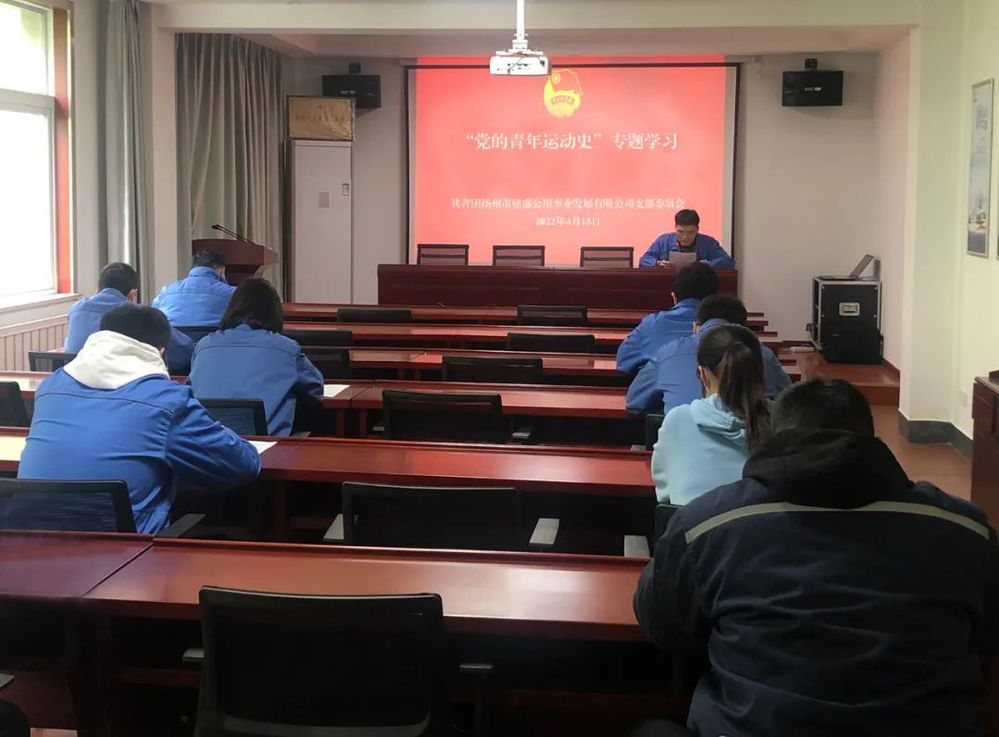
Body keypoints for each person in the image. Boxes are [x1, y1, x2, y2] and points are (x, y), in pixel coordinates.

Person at [634, 379, 999, 737]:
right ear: (871, 439)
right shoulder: (966, 530)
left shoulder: (708, 524)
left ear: (773, 437)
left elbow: (663, 623)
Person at [16, 305, 260, 534]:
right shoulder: (166, 401)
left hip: (30, 546)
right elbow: (240, 466)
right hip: (125, 555)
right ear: (160, 353)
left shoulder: (50, 388)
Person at [651, 324, 770, 504]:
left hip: (693, 522)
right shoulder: (785, 422)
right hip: (765, 523)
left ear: (703, 375)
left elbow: (665, 494)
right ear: (761, 371)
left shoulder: (677, 421)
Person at [189, 278, 324, 436]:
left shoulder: (203, 346)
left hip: (206, 444)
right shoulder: (286, 348)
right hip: (263, 448)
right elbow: (315, 389)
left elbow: (189, 393)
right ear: (274, 312)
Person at [626, 295, 791, 414]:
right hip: (752, 445)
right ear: (744, 328)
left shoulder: (667, 352)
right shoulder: (763, 355)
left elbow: (634, 401)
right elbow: (788, 402)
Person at [65, 262, 194, 372]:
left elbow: (70, 345)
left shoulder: (76, 309)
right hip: (126, 380)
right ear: (132, 295)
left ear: (97, 291)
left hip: (78, 378)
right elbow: (183, 350)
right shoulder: (142, 315)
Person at [616, 262, 718, 374]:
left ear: (674, 297)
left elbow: (623, 361)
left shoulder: (652, 324)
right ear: (715, 298)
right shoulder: (725, 328)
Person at [152, 249, 237, 327]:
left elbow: (154, 316)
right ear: (222, 270)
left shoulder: (166, 291)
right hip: (214, 338)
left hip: (173, 338)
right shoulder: (233, 293)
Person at [639, 209, 734, 269]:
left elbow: (728, 262)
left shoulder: (708, 243)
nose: (685, 236)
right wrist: (659, 264)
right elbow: (644, 260)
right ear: (675, 228)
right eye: (680, 232)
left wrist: (705, 265)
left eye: (690, 232)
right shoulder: (663, 241)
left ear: (697, 229)